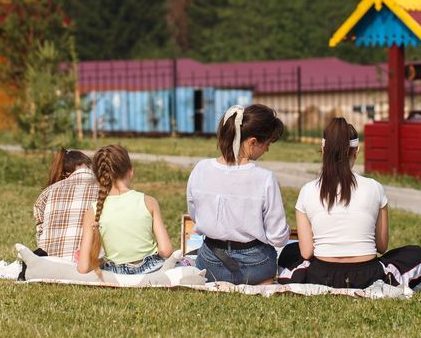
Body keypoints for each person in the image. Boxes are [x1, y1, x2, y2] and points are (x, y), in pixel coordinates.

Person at [285, 117, 421, 290]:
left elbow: (306, 252)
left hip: (321, 275)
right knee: (416, 254)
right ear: (357, 150)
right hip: (368, 275)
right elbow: (382, 246)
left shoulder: (307, 190)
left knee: (288, 252)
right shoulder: (375, 187)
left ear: (323, 149)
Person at [186, 104, 289, 284]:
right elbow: (278, 237)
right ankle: (262, 282)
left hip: (210, 263)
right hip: (256, 265)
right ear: (252, 142)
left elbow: (196, 216)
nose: (267, 150)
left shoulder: (200, 169)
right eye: (267, 143)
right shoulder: (264, 178)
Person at [77, 144, 174, 275]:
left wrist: (102, 261)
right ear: (131, 171)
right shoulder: (149, 201)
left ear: (100, 177)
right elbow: (166, 250)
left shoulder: (93, 211)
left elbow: (83, 267)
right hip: (152, 268)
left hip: (116, 271)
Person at [31, 148, 96, 261]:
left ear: (65, 173)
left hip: (51, 263)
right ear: (88, 165)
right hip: (90, 263)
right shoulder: (107, 189)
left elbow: (40, 232)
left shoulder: (48, 192)